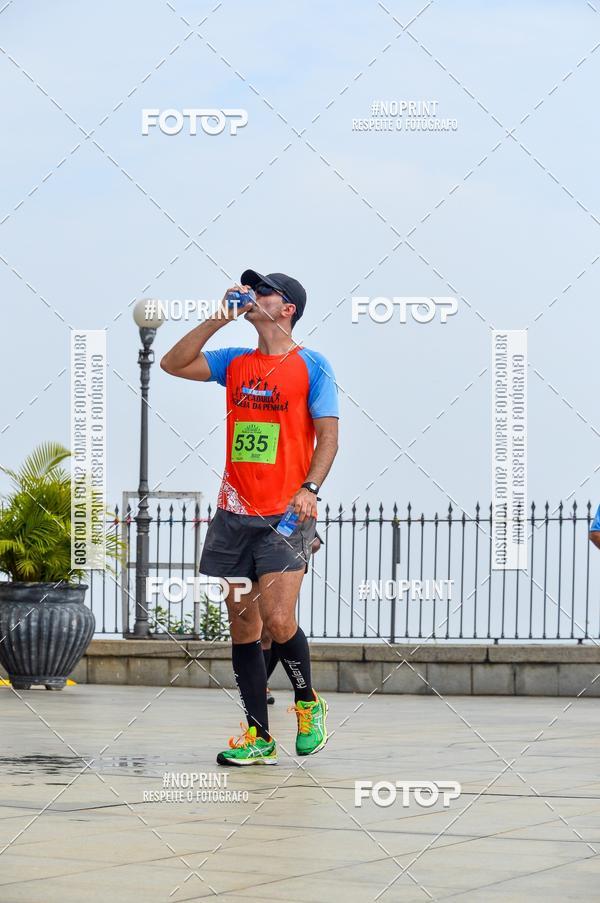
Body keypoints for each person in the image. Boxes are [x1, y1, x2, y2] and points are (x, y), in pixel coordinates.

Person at [160, 270, 339, 766]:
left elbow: (329, 436)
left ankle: (308, 703)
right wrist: (220, 317)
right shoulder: (236, 362)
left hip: (286, 515)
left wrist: (310, 488)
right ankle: (259, 736)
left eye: (265, 291)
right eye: (251, 289)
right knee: (243, 630)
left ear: (288, 309)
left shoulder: (312, 366)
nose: (254, 296)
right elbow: (173, 363)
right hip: (234, 514)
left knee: (279, 620)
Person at [263, 531, 324, 704]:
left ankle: (307, 701)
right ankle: (260, 686)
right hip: (255, 561)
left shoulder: (290, 509)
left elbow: (315, 542)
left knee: (277, 625)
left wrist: (290, 550)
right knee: (262, 631)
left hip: (282, 566)